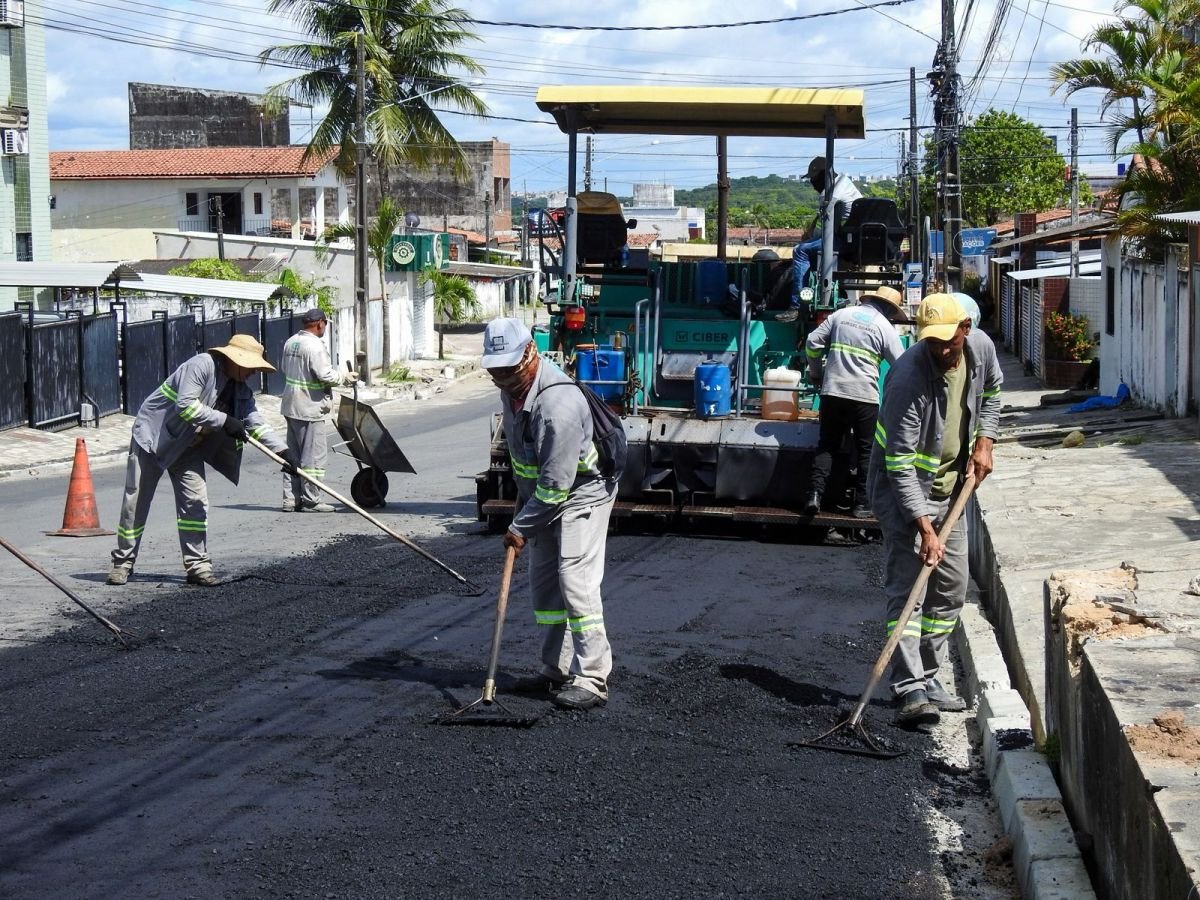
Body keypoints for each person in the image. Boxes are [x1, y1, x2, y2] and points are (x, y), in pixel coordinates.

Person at [868, 293, 1002, 727]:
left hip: (952, 490)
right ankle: (909, 689)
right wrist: (923, 527)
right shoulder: (907, 377)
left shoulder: (980, 349)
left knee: (950, 587)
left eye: (950, 341)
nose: (943, 350)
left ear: (966, 329)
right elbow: (899, 464)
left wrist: (985, 440)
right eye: (934, 343)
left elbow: (995, 393)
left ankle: (930, 675)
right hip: (904, 493)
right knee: (910, 591)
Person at [481, 317, 618, 711]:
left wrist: (519, 527)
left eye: (509, 370)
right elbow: (527, 466)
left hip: (583, 492)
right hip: (541, 498)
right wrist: (522, 512)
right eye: (496, 372)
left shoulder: (557, 405)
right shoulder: (511, 390)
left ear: (531, 353)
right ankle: (555, 671)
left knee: (574, 579)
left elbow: (558, 484)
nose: (504, 379)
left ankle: (592, 677)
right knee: (544, 586)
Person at [107, 334, 295, 587]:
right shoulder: (201, 366)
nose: (253, 373)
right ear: (235, 360)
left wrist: (283, 452)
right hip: (154, 438)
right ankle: (123, 563)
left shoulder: (240, 390)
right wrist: (225, 420)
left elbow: (255, 424)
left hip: (188, 445)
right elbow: (185, 406)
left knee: (195, 502)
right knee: (136, 503)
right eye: (251, 367)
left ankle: (197, 566)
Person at [804, 285, 907, 518]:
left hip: (832, 391)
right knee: (866, 450)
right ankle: (862, 504)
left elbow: (812, 342)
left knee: (827, 444)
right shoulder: (884, 327)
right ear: (890, 309)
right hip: (864, 397)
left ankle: (815, 496)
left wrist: (816, 372)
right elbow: (901, 365)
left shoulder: (841, 315)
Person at [280, 308, 358, 513]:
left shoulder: (291, 342)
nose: (325, 327)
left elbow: (284, 369)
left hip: (291, 405)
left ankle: (291, 499)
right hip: (309, 408)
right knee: (313, 457)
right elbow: (325, 375)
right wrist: (344, 378)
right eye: (325, 324)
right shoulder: (315, 346)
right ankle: (311, 500)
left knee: (292, 454)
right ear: (320, 323)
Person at [781, 156, 863, 322]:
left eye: (813, 179)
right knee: (808, 246)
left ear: (823, 176)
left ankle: (797, 306)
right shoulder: (844, 183)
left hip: (842, 241)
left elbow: (829, 231)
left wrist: (808, 240)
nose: (812, 185)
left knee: (800, 251)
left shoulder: (830, 194)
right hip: (854, 240)